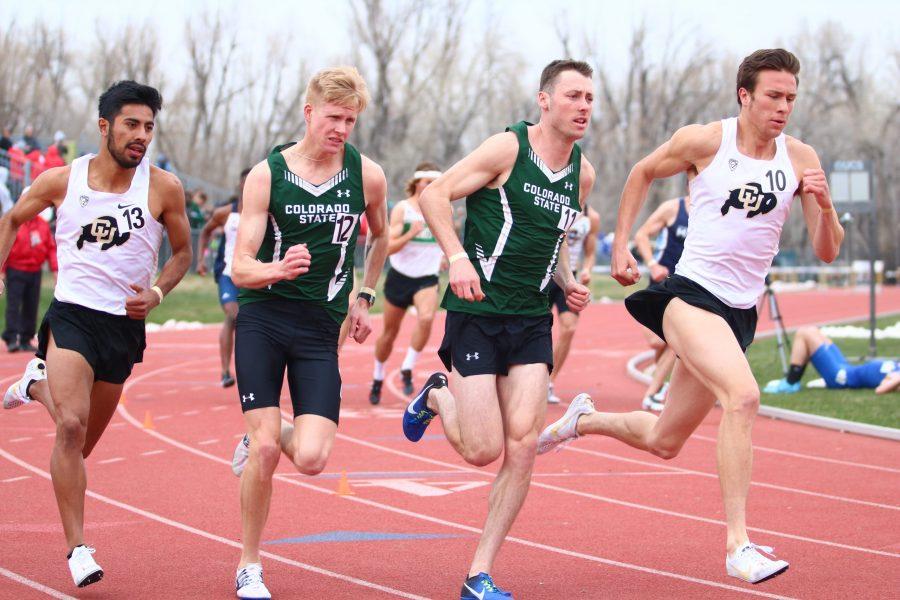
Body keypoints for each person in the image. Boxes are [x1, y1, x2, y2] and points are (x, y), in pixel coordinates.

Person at [538, 49, 844, 585]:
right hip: (690, 297)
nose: (783, 107)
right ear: (744, 95)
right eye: (773, 95)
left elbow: (827, 251)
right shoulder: (707, 140)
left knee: (665, 440)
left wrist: (824, 204)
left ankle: (579, 422)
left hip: (739, 314)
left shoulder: (798, 158)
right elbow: (643, 172)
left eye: (791, 98)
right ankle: (738, 545)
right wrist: (619, 250)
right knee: (744, 397)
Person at [403, 59, 595, 599]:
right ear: (545, 99)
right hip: (478, 313)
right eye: (573, 96)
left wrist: (567, 281)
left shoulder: (583, 172)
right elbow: (434, 196)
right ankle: (439, 396)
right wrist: (458, 257)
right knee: (483, 449)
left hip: (533, 318)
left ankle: (479, 572)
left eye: (589, 98)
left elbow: (554, 240)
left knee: (525, 445)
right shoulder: (507, 149)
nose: (583, 107)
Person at [0, 81, 191, 588]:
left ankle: (35, 385)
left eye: (148, 127)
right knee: (70, 430)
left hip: (123, 328)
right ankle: (78, 548)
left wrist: (156, 293)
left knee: (79, 451)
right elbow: (12, 218)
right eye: (131, 124)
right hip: (73, 316)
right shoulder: (62, 180)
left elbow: (182, 255)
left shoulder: (163, 188)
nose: (141, 136)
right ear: (104, 126)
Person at [227, 66, 388, 600]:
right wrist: (278, 268)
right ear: (309, 112)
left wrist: (364, 298)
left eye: (351, 120)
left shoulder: (367, 176)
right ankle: (250, 564)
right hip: (264, 320)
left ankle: (258, 438)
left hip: (323, 328)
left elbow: (381, 239)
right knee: (270, 449)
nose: (341, 128)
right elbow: (239, 267)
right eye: (333, 117)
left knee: (315, 459)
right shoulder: (266, 175)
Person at [368, 162, 445, 404]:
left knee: (426, 318)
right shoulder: (404, 209)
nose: (431, 187)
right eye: (427, 182)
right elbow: (388, 247)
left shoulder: (443, 208)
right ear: (416, 183)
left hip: (427, 278)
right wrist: (412, 233)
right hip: (400, 277)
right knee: (389, 334)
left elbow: (448, 238)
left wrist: (445, 256)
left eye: (435, 182)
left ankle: (407, 367)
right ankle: (378, 375)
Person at [632, 194, 691, 411]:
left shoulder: (712, 210)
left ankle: (653, 392)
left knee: (677, 342)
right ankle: (658, 378)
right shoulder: (673, 208)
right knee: (658, 342)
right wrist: (652, 264)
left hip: (687, 289)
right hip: (660, 285)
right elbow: (641, 235)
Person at [197, 169, 249, 387]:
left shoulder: (268, 212)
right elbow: (205, 232)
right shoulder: (225, 213)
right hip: (228, 273)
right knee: (233, 315)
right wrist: (201, 259)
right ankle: (225, 371)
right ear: (239, 185)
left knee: (248, 322)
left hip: (253, 275)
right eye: (245, 183)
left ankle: (247, 371)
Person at [546, 204, 599, 404]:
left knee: (569, 328)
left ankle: (548, 381)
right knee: (538, 327)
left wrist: (587, 269)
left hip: (570, 277)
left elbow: (591, 252)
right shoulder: (554, 203)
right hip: (544, 273)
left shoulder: (591, 217)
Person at [763, 325, 900, 394]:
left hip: (841, 377)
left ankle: (790, 383)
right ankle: (792, 381)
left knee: (803, 333)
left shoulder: (897, 377)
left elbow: (881, 390)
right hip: (846, 367)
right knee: (812, 330)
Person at [2, 212, 57, 352]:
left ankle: (26, 338)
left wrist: (54, 269)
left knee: (31, 304)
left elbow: (51, 247)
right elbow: (5, 245)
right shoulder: (16, 222)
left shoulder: (43, 224)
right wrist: (2, 269)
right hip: (16, 269)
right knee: (14, 304)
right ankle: (12, 337)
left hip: (35, 270)